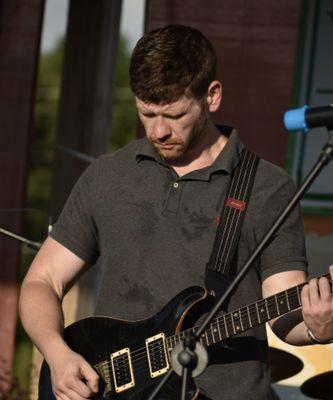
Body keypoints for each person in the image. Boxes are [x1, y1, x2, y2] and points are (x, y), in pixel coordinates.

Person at [19, 25, 333, 400]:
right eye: (147, 113)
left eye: (175, 114)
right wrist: (57, 354)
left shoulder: (267, 186)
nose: (159, 130)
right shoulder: (108, 175)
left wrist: (316, 327)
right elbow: (42, 282)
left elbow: (284, 311)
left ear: (212, 96)